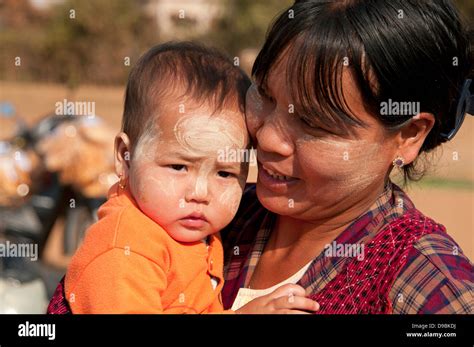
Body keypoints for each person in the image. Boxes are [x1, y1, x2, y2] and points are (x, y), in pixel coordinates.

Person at [222, 0, 473, 314]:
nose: (269, 138)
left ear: (409, 135)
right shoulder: (211, 217)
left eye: (312, 123)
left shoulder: (431, 290)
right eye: (264, 94)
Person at [47, 42, 320, 314]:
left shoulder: (195, 235)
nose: (200, 193)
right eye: (178, 167)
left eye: (225, 173)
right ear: (125, 156)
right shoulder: (125, 249)